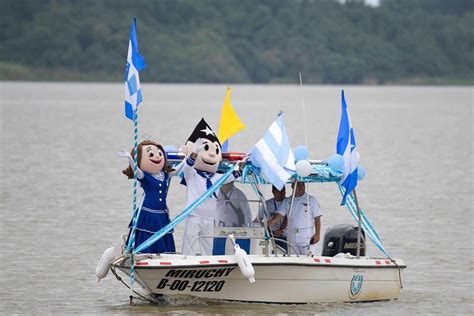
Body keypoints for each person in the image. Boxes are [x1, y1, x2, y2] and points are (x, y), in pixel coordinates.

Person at [181, 118, 242, 256]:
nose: (211, 154)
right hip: (194, 215)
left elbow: (232, 176)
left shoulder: (217, 178)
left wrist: (242, 164)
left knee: (208, 249)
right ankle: (185, 262)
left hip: (209, 217)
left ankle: (207, 265)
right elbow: (187, 167)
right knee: (189, 246)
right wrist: (195, 153)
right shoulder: (193, 175)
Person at [119, 140, 184, 254]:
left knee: (162, 234)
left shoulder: (164, 175)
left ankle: (164, 254)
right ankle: (143, 253)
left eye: (159, 153)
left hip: (161, 213)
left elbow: (177, 170)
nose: (157, 156)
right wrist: (130, 159)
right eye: (151, 154)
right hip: (148, 212)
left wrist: (188, 159)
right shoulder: (145, 176)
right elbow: (136, 171)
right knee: (147, 233)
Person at [268, 181, 322, 255]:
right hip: (291, 235)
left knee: (308, 258)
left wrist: (317, 234)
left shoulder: (311, 200)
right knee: (293, 258)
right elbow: (280, 214)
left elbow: (317, 218)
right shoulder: (287, 201)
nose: (301, 187)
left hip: (306, 235)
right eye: (298, 185)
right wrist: (272, 221)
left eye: (303, 184)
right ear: (292, 186)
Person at [257, 185, 288, 251]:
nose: (282, 193)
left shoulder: (288, 203)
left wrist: (281, 230)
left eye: (283, 191)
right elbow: (258, 219)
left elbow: (288, 218)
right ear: (273, 192)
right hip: (271, 236)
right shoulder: (267, 204)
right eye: (279, 191)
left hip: (285, 237)